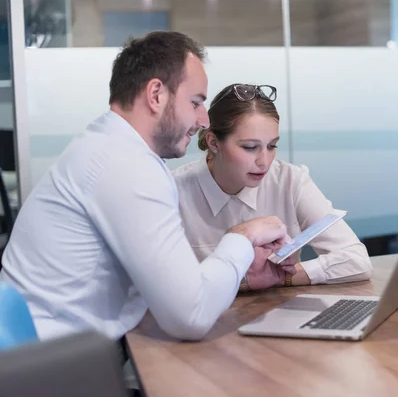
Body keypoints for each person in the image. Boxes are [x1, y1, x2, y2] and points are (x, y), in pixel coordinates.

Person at [0, 32, 289, 342]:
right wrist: (242, 237)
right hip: (52, 371)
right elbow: (191, 316)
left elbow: (173, 289)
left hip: (46, 357)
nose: (204, 120)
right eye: (195, 102)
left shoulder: (107, 147)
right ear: (155, 95)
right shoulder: (126, 165)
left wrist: (237, 266)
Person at [172, 83, 372, 291]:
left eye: (272, 146)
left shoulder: (289, 180)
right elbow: (163, 287)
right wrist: (245, 281)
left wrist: (280, 278)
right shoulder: (173, 191)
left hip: (281, 314)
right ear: (214, 142)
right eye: (250, 147)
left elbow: (357, 260)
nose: (264, 161)